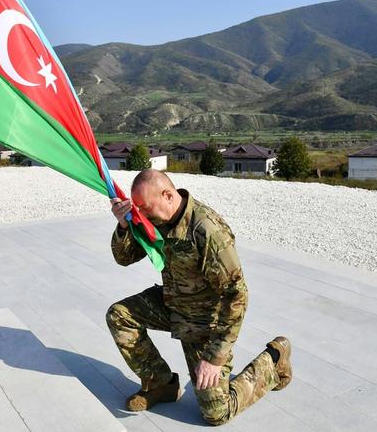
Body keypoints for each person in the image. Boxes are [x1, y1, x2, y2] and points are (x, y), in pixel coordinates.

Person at [106, 169, 292, 426]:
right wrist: (124, 224)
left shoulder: (206, 230)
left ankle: (273, 360)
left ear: (168, 195)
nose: (141, 215)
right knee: (119, 315)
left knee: (216, 413)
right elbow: (124, 258)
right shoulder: (155, 217)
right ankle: (161, 384)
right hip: (173, 303)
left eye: (144, 208)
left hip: (205, 322)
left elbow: (236, 295)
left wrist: (215, 358)